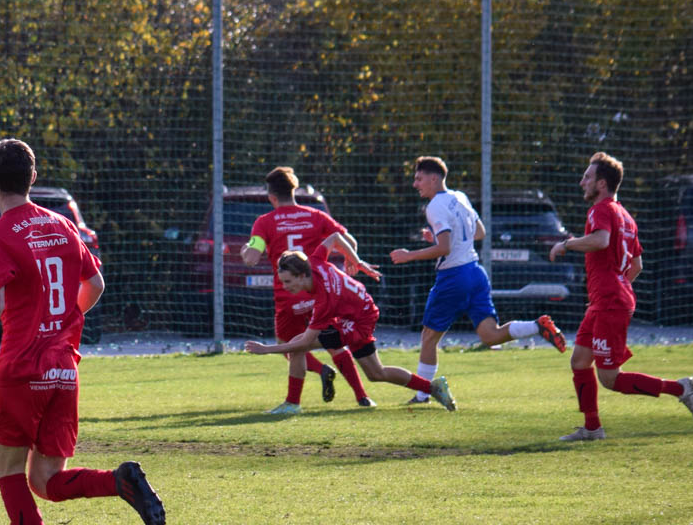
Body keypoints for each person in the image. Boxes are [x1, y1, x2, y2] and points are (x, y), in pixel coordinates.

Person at [0, 139, 166, 525]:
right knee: (46, 481)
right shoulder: (64, 225)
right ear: (33, 178)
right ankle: (119, 482)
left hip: (20, 371)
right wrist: (63, 323)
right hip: (64, 371)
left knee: (10, 471)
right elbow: (96, 283)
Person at [547, 152, 693, 440]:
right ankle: (592, 428)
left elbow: (600, 240)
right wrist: (614, 287)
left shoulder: (600, 209)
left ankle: (679, 388)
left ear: (601, 184)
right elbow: (637, 265)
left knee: (610, 379)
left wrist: (566, 244)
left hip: (610, 302)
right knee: (579, 361)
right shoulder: (626, 216)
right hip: (606, 300)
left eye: (587, 177)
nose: (582, 182)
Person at [389, 156, 567, 403]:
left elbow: (444, 249)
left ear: (434, 178)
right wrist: (440, 238)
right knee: (490, 335)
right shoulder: (460, 197)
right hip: (475, 272)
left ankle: (422, 396)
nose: (415, 184)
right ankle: (538, 326)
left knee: (428, 337)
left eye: (419, 179)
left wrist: (409, 255)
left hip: (454, 277)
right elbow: (480, 232)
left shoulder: (434, 206)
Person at [240, 166, 380, 413]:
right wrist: (352, 260)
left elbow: (251, 258)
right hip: (319, 291)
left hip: (288, 296)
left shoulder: (265, 222)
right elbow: (349, 240)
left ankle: (300, 394)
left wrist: (245, 248)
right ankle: (362, 397)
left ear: (271, 196)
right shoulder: (315, 215)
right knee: (333, 342)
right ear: (293, 191)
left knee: (289, 345)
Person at [245, 250, 457, 410]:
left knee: (297, 344)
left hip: (357, 321)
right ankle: (433, 388)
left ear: (301, 276)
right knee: (376, 373)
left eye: (288, 281)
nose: (284, 286)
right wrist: (355, 260)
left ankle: (292, 403)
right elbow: (334, 237)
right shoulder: (315, 261)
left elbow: (305, 342)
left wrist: (266, 349)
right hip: (360, 313)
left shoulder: (324, 300)